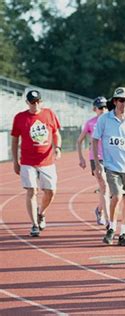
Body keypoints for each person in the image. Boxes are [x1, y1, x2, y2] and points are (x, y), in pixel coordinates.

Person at [92, 87, 125, 246]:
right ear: (115, 101)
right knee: (116, 196)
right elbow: (95, 140)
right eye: (121, 100)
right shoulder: (104, 119)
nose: (124, 104)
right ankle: (111, 227)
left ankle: (123, 233)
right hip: (112, 166)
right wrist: (97, 163)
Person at [11, 90, 62, 237]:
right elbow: (14, 140)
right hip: (27, 161)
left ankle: (41, 213)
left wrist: (57, 148)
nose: (36, 105)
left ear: (41, 101)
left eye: (38, 101)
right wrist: (15, 161)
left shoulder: (49, 114)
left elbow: (56, 133)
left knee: (51, 191)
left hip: (47, 161)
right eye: (32, 102)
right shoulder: (20, 118)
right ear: (27, 103)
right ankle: (34, 224)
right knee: (31, 190)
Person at [77, 96, 110, 227]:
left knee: (107, 189)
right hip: (96, 158)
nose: (103, 110)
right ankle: (109, 220)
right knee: (105, 186)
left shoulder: (111, 121)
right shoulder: (90, 123)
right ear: (94, 109)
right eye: (100, 108)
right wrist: (81, 158)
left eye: (105, 107)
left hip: (111, 158)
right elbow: (79, 141)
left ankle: (99, 210)